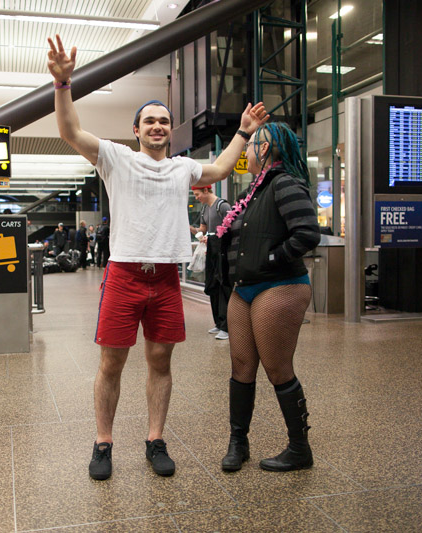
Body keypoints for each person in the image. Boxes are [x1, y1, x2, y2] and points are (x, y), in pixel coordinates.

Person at [47, 34, 267, 481]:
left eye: (163, 121)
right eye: (149, 121)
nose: (157, 127)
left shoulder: (182, 168)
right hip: (125, 275)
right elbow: (70, 131)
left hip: (165, 279)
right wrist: (63, 85)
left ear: (170, 129)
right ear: (136, 130)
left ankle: (155, 440)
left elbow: (223, 168)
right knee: (111, 362)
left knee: (160, 362)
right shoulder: (115, 159)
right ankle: (103, 443)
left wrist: (243, 132)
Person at [217, 122, 320, 474]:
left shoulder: (285, 183)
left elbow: (307, 233)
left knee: (277, 368)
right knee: (241, 367)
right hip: (243, 289)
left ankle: (299, 448)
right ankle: (238, 442)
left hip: (278, 286)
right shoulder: (255, 190)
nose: (245, 151)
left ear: (263, 149)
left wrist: (272, 258)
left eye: (250, 145)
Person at [189, 185, 232, 341]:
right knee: (213, 285)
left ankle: (227, 326)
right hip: (212, 251)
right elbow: (202, 229)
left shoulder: (222, 206)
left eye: (197, 194)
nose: (196, 197)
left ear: (206, 191)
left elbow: (231, 227)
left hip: (222, 251)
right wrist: (191, 229)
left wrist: (214, 238)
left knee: (223, 286)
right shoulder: (204, 209)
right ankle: (219, 323)